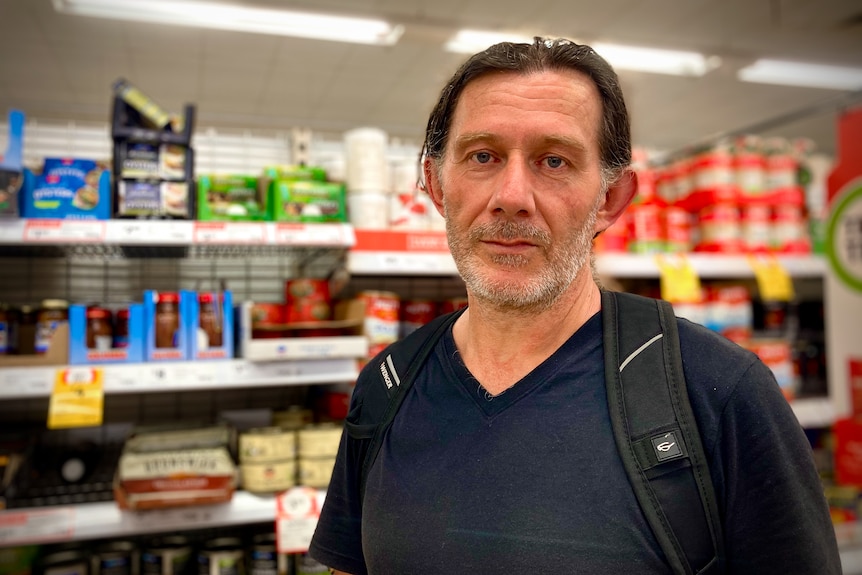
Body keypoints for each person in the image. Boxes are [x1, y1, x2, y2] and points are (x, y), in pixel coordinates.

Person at [308, 37, 841, 574]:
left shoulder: (718, 392)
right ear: (436, 185)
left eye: (554, 160)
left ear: (611, 198)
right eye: (483, 156)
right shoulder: (386, 387)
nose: (512, 194)